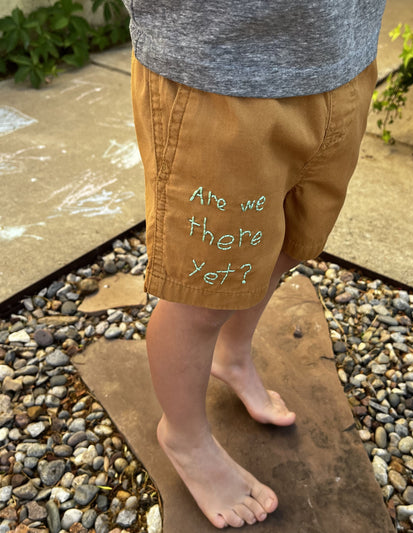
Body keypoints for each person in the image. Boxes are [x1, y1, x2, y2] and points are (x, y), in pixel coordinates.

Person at [125, 0, 386, 528]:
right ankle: (184, 436)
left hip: (344, 62)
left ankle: (232, 355)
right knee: (200, 294)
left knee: (288, 245)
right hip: (217, 76)